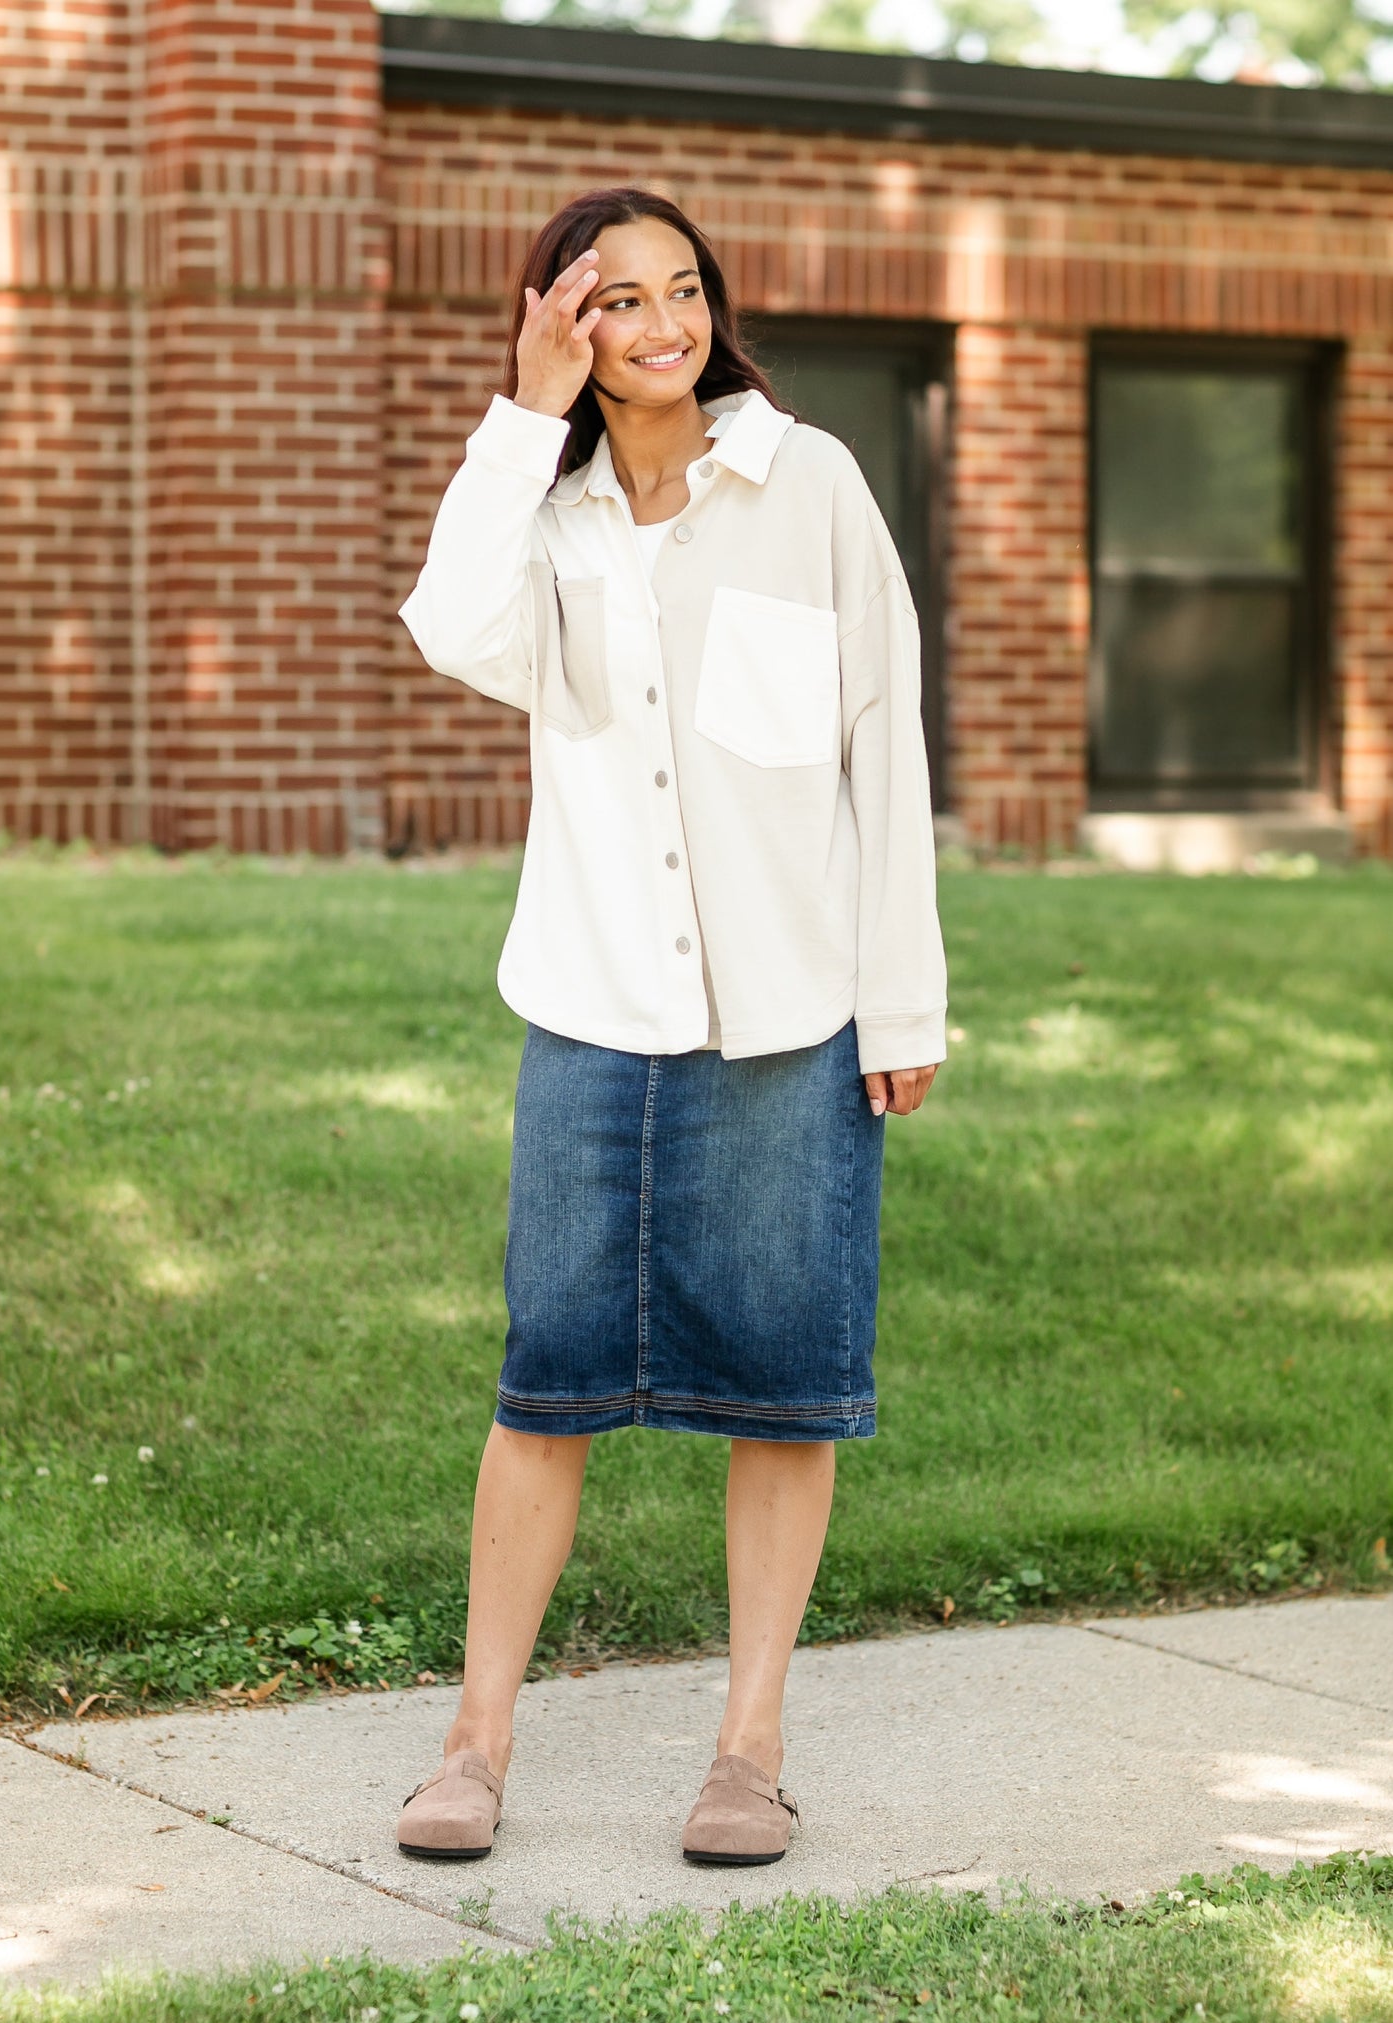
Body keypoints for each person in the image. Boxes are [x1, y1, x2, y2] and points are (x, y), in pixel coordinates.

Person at [396, 186, 946, 1867]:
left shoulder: (812, 486)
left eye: (681, 290)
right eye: (613, 301)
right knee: (543, 1389)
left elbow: (883, 743)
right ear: (558, 321)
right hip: (588, 1006)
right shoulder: (539, 518)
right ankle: (475, 1744)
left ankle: (748, 1752)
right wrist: (518, 416)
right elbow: (449, 634)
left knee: (784, 1393)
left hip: (790, 1021)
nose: (661, 324)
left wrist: (896, 995)